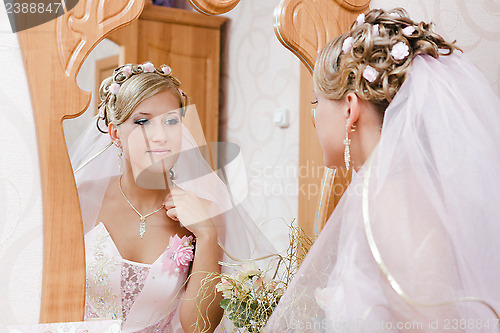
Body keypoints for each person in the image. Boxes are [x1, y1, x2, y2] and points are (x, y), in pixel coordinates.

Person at [265, 8, 500, 332]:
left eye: (317, 102)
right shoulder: (395, 186)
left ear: (349, 109)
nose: (315, 117)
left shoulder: (391, 199)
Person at [70, 62, 276, 332]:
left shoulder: (208, 211)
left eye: (171, 121)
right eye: (142, 121)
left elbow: (199, 328)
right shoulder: (80, 200)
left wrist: (206, 234)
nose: (159, 136)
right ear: (115, 133)